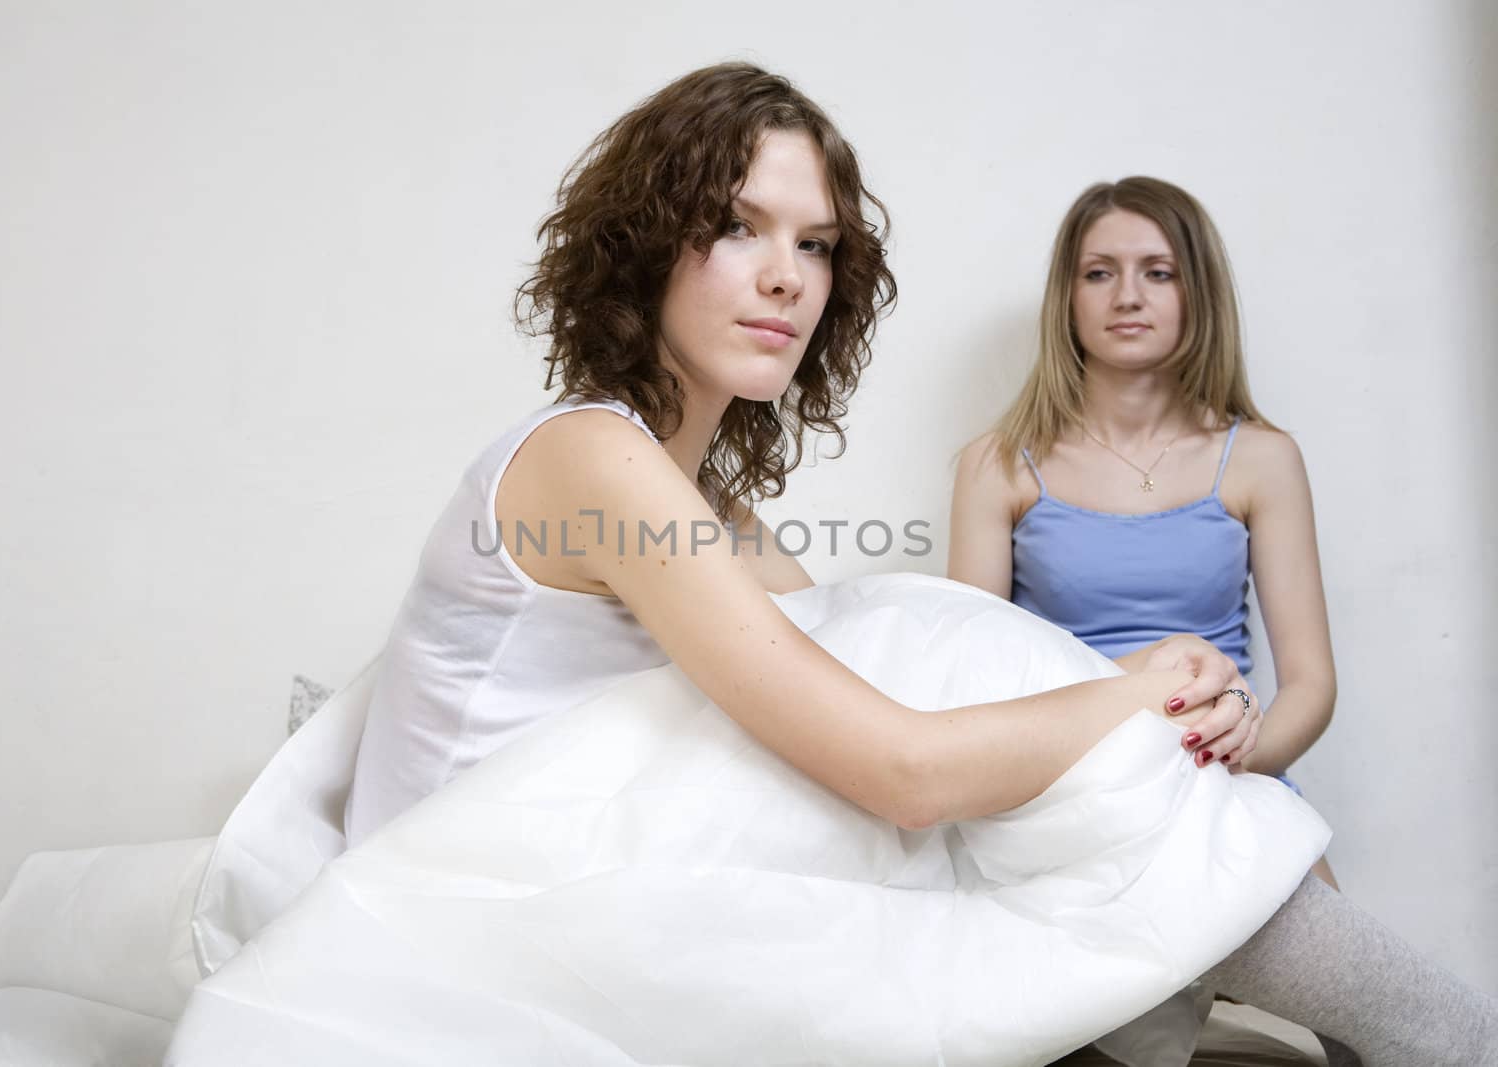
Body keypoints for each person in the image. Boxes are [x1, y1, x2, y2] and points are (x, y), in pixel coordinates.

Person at [173, 65, 1494, 1066]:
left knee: (914, 637)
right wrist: (1133, 692)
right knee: (934, 643)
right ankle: (1388, 1018)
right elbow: (899, 769)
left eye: (816, 245)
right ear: (648, 243)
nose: (787, 278)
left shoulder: (710, 510)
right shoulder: (588, 459)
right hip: (478, 923)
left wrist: (1130, 712)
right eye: (741, 228)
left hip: (598, 884)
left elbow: (904, 731)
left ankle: (1172, 984)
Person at [948, 176, 1340, 888]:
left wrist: (1227, 769)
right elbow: (971, 684)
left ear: (1199, 293)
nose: (1127, 295)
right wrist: (1114, 785)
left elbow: (1311, 685)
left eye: (1158, 272)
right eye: (1099, 273)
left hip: (1226, 781)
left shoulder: (1262, 459)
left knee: (1361, 991)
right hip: (1065, 793)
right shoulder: (997, 465)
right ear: (1066, 299)